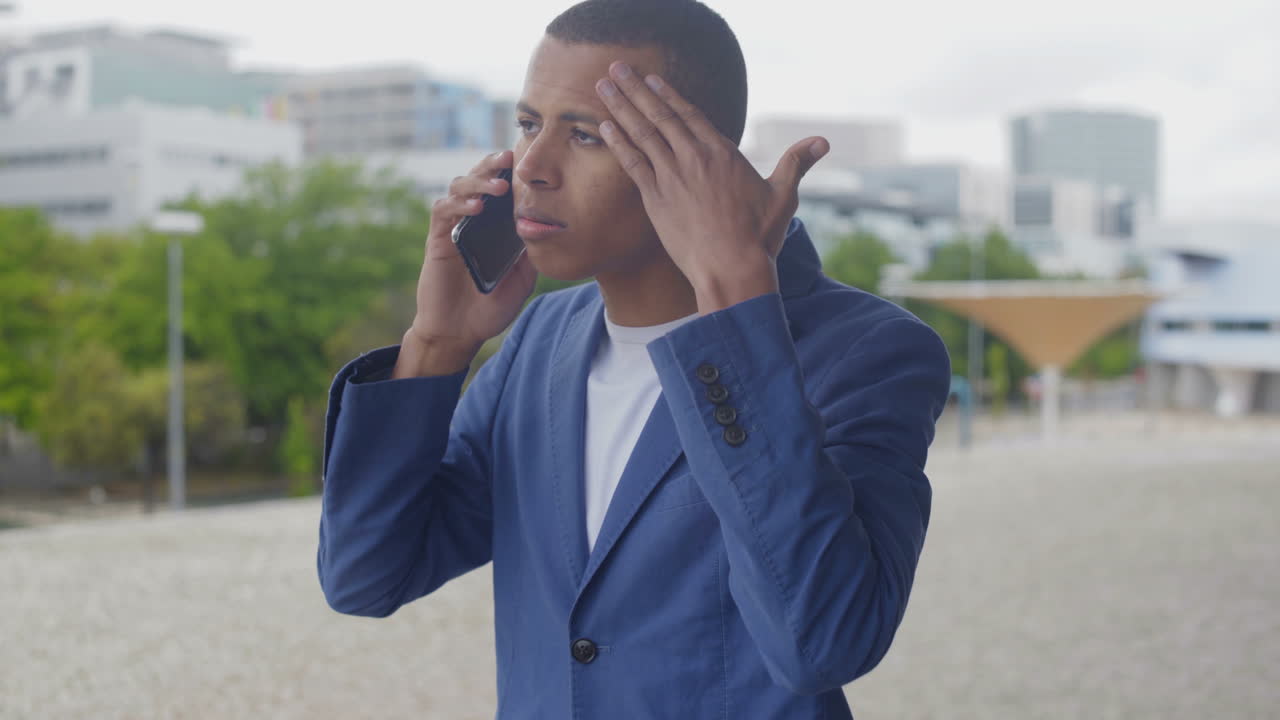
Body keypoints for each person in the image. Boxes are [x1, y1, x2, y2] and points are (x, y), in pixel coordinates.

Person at [317, 1, 952, 717]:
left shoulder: (871, 351)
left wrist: (736, 293)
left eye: (585, 135)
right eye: (527, 125)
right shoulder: (539, 340)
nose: (532, 169)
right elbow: (365, 576)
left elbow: (824, 643)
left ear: (700, 155)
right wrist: (435, 346)